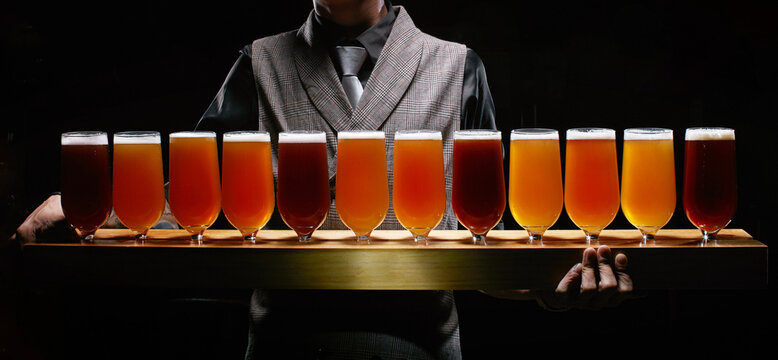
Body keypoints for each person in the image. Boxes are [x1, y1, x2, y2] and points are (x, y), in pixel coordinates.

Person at [12, 0, 632, 358]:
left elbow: (489, 234)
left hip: (420, 350)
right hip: (286, 350)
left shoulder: (457, 66)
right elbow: (190, 202)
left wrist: (546, 286)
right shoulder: (259, 62)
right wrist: (89, 206)